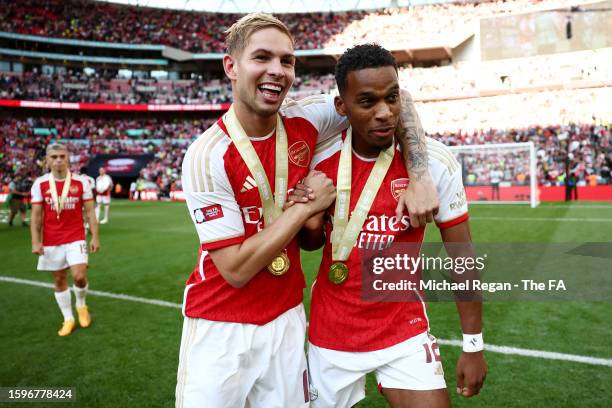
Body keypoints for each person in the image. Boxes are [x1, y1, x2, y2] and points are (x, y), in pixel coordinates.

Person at [176, 14, 438, 408]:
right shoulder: (206, 155)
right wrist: (305, 209)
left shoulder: (307, 117)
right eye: (261, 58)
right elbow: (234, 269)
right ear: (231, 66)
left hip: (287, 319)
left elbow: (396, 99)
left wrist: (419, 177)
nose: (276, 71)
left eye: (287, 61)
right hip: (220, 324)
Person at [299, 44, 487, 408]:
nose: (384, 113)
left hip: (404, 332)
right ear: (343, 108)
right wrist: (309, 218)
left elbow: (462, 257)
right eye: (367, 102)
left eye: (392, 98)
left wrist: (473, 344)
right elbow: (310, 244)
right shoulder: (321, 160)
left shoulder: (434, 164)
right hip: (331, 336)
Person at [30, 143, 100, 336]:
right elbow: (36, 216)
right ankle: (68, 318)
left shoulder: (81, 182)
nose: (58, 160)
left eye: (62, 156)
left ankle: (81, 305)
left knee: (79, 276)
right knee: (60, 279)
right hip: (51, 239)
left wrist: (95, 237)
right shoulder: (40, 184)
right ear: (47, 160)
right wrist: (36, 241)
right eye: (54, 157)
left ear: (68, 158)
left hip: (76, 236)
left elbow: (90, 213)